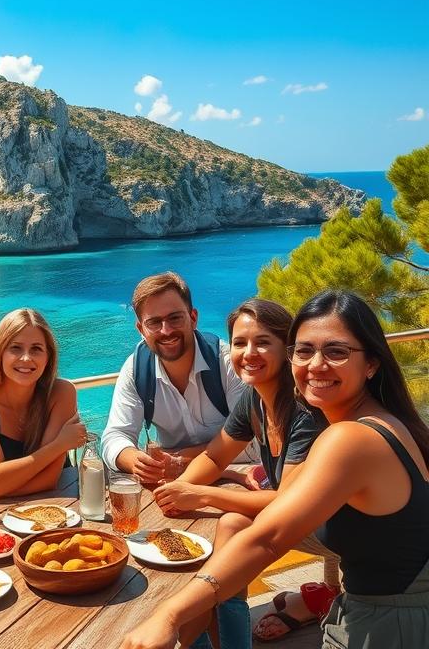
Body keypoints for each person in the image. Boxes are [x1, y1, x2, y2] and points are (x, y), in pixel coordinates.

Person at [122, 290, 429, 649]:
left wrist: (167, 614)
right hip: (380, 606)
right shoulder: (375, 419)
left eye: (336, 351)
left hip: (393, 623)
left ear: (372, 363)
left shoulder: (349, 437)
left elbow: (269, 537)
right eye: (304, 350)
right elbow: (217, 456)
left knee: (234, 533)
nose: (315, 365)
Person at [153, 298, 336, 645]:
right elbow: (215, 456)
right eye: (239, 343)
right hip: (311, 518)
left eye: (263, 342)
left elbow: (288, 502)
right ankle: (224, 638)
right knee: (232, 525)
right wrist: (177, 489)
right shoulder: (255, 399)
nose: (248, 352)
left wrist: (202, 495)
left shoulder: (304, 411)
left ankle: (207, 636)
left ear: (288, 349)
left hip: (345, 531)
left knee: (231, 531)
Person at [101, 272, 254, 485]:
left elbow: (252, 440)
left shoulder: (226, 362)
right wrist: (137, 461)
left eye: (175, 318)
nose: (166, 330)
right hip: (172, 481)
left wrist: (183, 458)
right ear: (141, 329)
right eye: (154, 322)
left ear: (193, 318)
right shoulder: (136, 370)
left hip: (238, 477)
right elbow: (114, 436)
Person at [0, 308, 87, 499]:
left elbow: (49, 479)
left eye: (36, 349)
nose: (26, 358)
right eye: (15, 348)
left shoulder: (62, 393)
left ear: (48, 358)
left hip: (60, 505)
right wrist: (59, 445)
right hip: (0, 518)